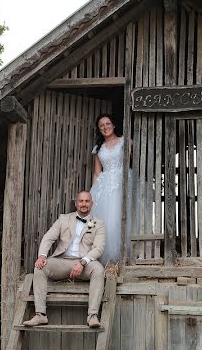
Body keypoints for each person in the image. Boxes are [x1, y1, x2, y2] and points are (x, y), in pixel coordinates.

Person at [22, 191, 106, 329]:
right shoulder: (64, 219)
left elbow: (99, 248)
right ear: (76, 203)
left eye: (87, 201)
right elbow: (48, 237)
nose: (84, 204)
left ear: (92, 204)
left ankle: (92, 316)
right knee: (40, 268)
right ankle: (40, 315)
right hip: (62, 261)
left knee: (98, 270)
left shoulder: (98, 223)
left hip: (84, 263)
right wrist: (42, 255)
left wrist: (83, 262)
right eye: (81, 201)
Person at [89, 114, 132, 264]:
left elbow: (132, 161)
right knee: (106, 222)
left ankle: (124, 256)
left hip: (122, 182)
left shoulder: (124, 141)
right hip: (104, 186)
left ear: (113, 125)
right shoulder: (98, 148)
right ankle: (109, 260)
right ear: (99, 129)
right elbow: (97, 172)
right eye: (102, 126)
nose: (105, 127)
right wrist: (92, 194)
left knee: (120, 219)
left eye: (108, 124)